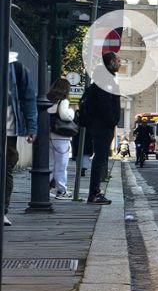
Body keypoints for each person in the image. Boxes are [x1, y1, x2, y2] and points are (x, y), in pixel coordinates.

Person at [77, 53, 122, 205]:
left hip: (101, 125)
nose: (120, 63)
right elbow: (105, 104)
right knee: (99, 159)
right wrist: (112, 121)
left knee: (100, 159)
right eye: (117, 60)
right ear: (111, 62)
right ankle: (94, 194)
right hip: (102, 126)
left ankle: (95, 193)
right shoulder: (105, 80)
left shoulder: (103, 78)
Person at [5, 52, 38, 225]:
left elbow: (29, 99)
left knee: (6, 169)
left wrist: (32, 127)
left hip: (9, 129)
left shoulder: (17, 69)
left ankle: (3, 210)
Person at [46, 78, 77, 200]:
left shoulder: (48, 99)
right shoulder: (63, 101)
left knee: (50, 164)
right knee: (61, 166)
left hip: (49, 136)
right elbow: (65, 115)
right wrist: (72, 111)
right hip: (61, 137)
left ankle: (45, 189)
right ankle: (61, 190)